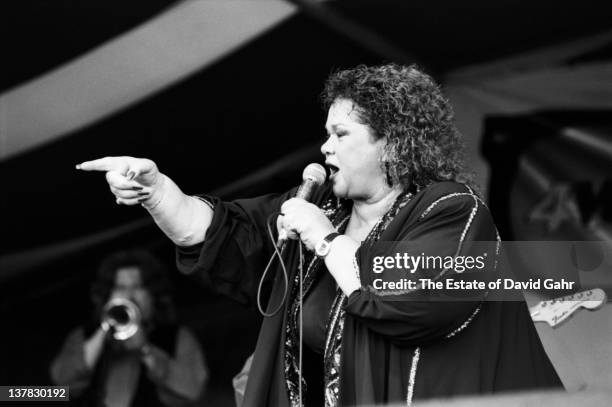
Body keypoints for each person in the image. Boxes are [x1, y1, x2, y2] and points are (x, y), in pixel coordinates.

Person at [76, 64, 561, 406]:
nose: (325, 147)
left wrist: (327, 240)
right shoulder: (323, 204)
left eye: (341, 134)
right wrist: (156, 191)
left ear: (393, 141)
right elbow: (224, 235)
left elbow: (410, 300)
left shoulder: (451, 208)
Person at [50, 250, 208, 406]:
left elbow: (192, 390)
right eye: (120, 287)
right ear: (108, 294)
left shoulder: (179, 337)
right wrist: (104, 328)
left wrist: (146, 350)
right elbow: (61, 387)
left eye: (138, 287)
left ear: (153, 294)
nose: (129, 296)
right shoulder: (84, 335)